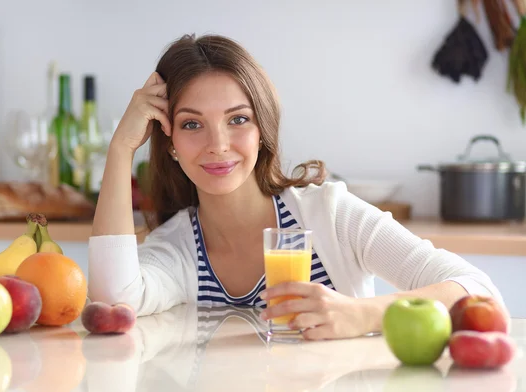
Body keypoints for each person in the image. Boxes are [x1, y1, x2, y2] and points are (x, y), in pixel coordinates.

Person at [88, 33, 506, 340]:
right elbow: (114, 301)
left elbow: (479, 292)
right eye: (192, 124)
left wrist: (364, 314)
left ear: (262, 130)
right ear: (172, 144)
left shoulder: (331, 215)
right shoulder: (178, 247)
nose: (218, 145)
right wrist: (121, 148)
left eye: (238, 119)